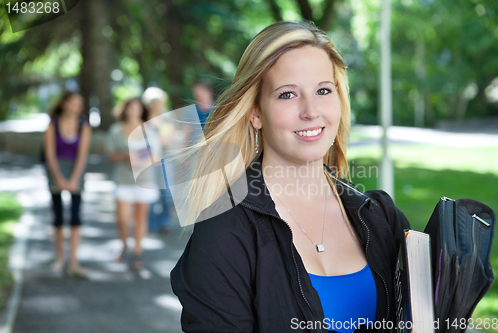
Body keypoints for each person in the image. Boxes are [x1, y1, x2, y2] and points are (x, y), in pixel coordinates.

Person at [170, 21, 410, 333]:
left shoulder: (379, 216)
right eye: (287, 95)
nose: (311, 111)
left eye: (323, 90)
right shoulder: (223, 230)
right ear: (255, 112)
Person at [106, 98, 160, 269]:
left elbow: (157, 155)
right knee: (122, 220)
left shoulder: (149, 130)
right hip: (123, 180)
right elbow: (111, 155)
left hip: (144, 180)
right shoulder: (116, 130)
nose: (134, 111)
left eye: (137, 108)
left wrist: (141, 161)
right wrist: (126, 157)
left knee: (140, 219)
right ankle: (124, 245)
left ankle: (137, 252)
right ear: (125, 109)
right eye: (131, 108)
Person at [43, 91, 91, 278]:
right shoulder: (52, 124)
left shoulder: (83, 125)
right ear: (64, 103)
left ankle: (73, 261)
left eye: (79, 104)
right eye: (73, 103)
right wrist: (60, 179)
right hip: (56, 170)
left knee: (75, 218)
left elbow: (83, 155)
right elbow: (50, 154)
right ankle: (59, 259)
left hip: (75, 171)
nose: (76, 107)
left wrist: (73, 180)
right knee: (58, 217)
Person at [142, 87, 176, 235]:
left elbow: (168, 139)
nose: (157, 104)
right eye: (154, 102)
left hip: (164, 159)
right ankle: (152, 224)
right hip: (147, 161)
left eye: (159, 101)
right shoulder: (142, 119)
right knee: (150, 193)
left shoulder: (166, 118)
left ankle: (165, 222)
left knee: (167, 193)